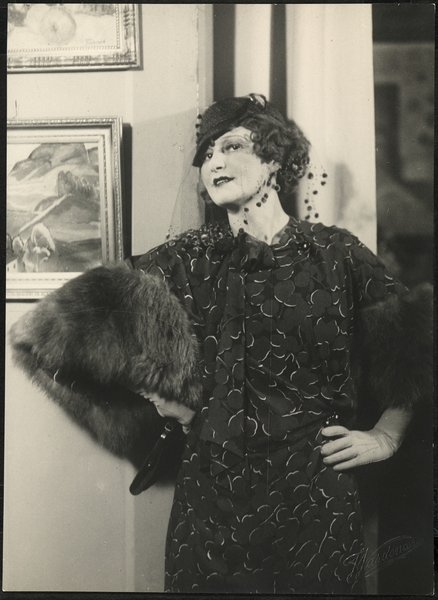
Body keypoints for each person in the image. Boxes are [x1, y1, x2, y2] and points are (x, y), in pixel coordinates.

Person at [10, 94, 432, 594]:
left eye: (231, 146)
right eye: (207, 154)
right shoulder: (181, 260)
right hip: (211, 516)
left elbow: (415, 346)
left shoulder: (337, 254)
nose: (214, 162)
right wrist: (160, 399)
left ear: (274, 158)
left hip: (317, 506)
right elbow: (42, 338)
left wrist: (386, 436)